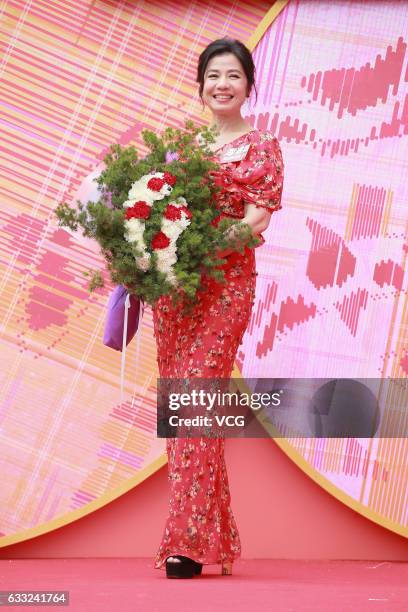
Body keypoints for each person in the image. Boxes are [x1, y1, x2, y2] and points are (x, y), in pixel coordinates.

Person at [152, 37, 284, 578]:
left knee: (198, 396)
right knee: (181, 407)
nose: (221, 84)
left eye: (233, 75)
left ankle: (185, 543)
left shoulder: (263, 147)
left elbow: (256, 221)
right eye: (213, 75)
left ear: (249, 85)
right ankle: (210, 537)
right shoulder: (182, 150)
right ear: (201, 85)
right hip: (176, 291)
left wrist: (203, 242)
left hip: (226, 285)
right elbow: (156, 213)